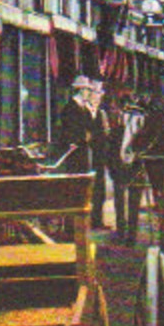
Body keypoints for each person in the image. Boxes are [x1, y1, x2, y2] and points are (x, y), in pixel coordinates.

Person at [54, 77, 110, 229]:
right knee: (76, 190)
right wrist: (82, 137)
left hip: (86, 155)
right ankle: (72, 226)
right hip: (76, 156)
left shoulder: (83, 108)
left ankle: (86, 223)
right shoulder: (70, 108)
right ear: (81, 90)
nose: (90, 93)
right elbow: (69, 133)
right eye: (88, 90)